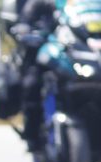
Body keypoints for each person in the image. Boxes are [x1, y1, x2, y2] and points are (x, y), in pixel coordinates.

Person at [11, 0, 59, 152]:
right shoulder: (37, 4)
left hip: (78, 50)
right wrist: (25, 27)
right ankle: (33, 135)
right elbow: (28, 14)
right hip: (43, 50)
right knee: (31, 84)